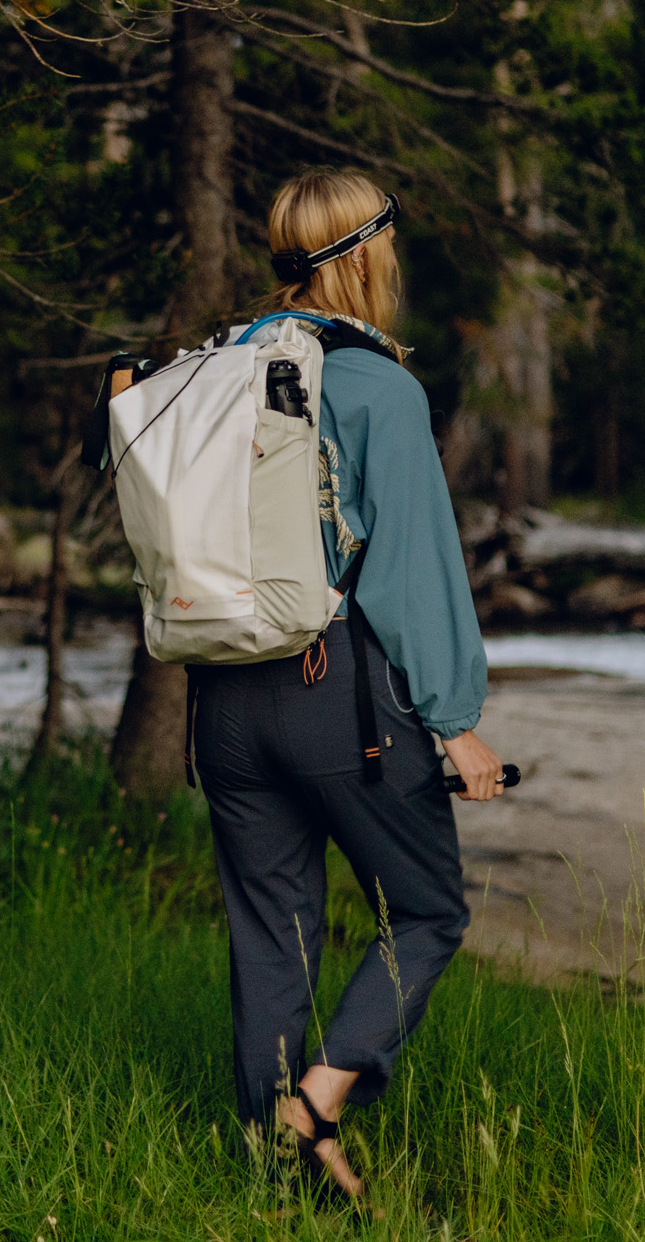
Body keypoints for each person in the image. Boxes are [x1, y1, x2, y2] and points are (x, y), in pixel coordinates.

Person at [187, 169, 501, 1203]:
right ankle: (314, 1099)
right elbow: (411, 567)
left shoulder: (216, 366)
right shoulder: (375, 385)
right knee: (425, 910)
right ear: (363, 253)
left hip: (224, 698)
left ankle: (276, 1172)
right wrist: (455, 722)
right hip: (336, 693)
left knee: (271, 929)